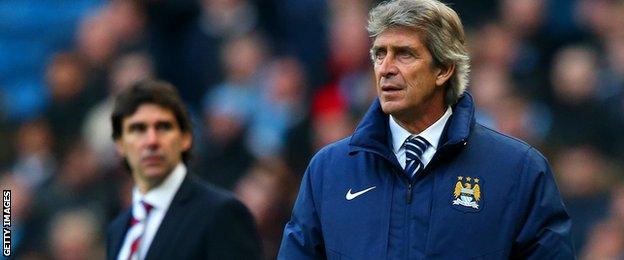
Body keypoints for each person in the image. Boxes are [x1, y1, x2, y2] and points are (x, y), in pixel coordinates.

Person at [278, 0, 575, 259]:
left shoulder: (519, 170)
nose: (386, 68)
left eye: (404, 54)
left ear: (444, 69)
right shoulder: (329, 170)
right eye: (380, 54)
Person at [106, 80, 261, 260]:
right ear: (120, 145)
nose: (151, 141)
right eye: (138, 129)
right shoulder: (118, 229)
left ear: (186, 138)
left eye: (163, 127)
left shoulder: (221, 213)